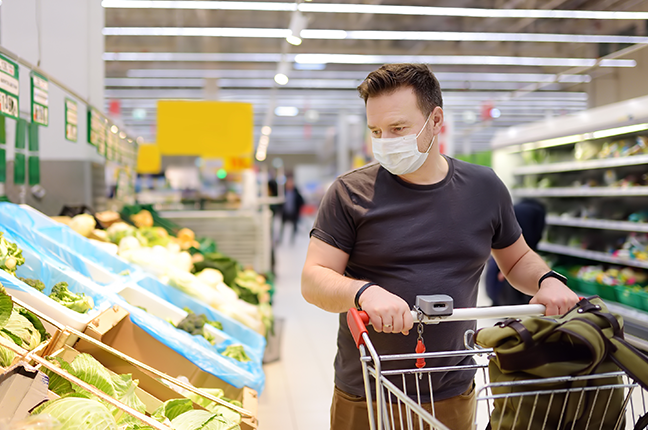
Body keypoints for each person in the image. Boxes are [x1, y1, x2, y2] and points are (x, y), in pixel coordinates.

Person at [300, 64, 579, 430]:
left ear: (436, 120)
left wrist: (547, 280)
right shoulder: (349, 193)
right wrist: (363, 292)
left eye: (398, 128)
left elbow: (518, 259)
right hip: (368, 388)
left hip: (452, 385)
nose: (385, 140)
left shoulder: (484, 188)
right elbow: (314, 278)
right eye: (376, 131)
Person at [486, 198, 547, 306]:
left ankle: (497, 302)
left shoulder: (516, 208)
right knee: (510, 276)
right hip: (519, 245)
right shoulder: (538, 212)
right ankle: (510, 304)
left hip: (501, 244)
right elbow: (534, 236)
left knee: (497, 272)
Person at [279, 176, 305, 245]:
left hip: (294, 213)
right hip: (285, 213)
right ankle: (281, 240)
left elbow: (302, 201)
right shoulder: (283, 192)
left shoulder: (296, 192)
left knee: (294, 228)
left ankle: (292, 241)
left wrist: (299, 209)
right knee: (282, 227)